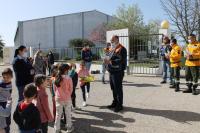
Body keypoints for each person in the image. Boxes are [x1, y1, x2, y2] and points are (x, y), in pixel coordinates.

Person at [105, 35, 127, 112]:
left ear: (117, 40)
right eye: (111, 41)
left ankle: (120, 105)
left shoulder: (122, 49)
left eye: (113, 40)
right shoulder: (112, 48)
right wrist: (105, 58)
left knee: (118, 88)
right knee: (113, 88)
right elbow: (108, 56)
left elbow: (121, 60)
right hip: (111, 71)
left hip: (118, 72)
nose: (111, 42)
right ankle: (115, 102)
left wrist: (111, 61)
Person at [54, 64, 73, 133]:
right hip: (67, 98)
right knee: (68, 113)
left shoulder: (56, 77)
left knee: (58, 114)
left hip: (58, 98)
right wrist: (68, 95)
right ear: (65, 70)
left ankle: (57, 129)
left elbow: (55, 89)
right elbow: (71, 89)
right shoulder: (69, 78)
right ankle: (69, 127)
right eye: (68, 70)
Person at [0, 68, 13, 133]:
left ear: (12, 77)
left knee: (8, 120)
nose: (5, 79)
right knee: (4, 122)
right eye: (4, 77)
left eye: (8, 77)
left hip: (7, 102)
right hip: (2, 104)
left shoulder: (9, 83)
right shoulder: (1, 84)